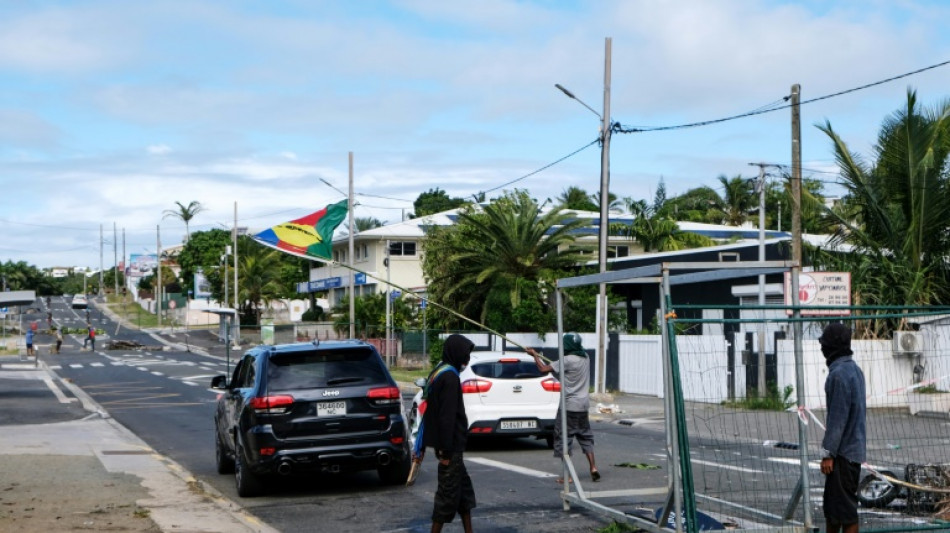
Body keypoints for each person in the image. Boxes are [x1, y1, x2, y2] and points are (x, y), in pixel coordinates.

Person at [422, 334, 476, 533]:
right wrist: (444, 451)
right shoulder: (450, 377)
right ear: (455, 352)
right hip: (450, 448)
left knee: (464, 495)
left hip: (452, 447)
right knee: (446, 497)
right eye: (465, 355)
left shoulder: (440, 371)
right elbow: (447, 417)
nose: (466, 360)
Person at [529, 333, 600, 483]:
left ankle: (568, 476)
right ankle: (593, 467)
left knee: (563, 439)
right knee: (585, 437)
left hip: (568, 407)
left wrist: (534, 355)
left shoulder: (567, 360)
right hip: (583, 406)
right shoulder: (586, 357)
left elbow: (543, 369)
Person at [819, 323, 866, 533]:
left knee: (845, 513)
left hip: (842, 455)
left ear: (831, 346)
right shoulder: (855, 370)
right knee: (834, 511)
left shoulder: (838, 374)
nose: (822, 348)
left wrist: (828, 454)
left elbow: (837, 419)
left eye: (824, 344)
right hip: (853, 451)